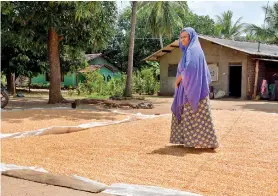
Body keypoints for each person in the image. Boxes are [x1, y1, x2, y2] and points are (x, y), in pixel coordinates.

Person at [169, 27, 219, 149]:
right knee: (190, 116)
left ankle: (208, 143)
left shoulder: (194, 50)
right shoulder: (189, 51)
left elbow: (191, 68)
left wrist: (179, 79)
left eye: (185, 37)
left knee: (197, 116)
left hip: (193, 90)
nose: (182, 39)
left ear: (191, 37)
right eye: (181, 37)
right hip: (187, 88)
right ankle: (188, 140)